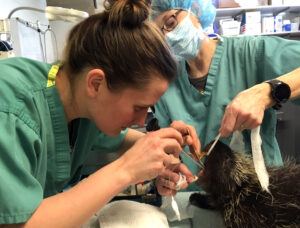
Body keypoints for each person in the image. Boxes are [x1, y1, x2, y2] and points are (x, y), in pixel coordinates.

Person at [0, 0, 200, 226]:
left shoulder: (83, 105)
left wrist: (158, 147)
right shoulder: (10, 108)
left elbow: (122, 139)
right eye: (138, 107)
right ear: (96, 83)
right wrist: (127, 169)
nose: (143, 119)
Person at [150, 0, 300, 194]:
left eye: (170, 22)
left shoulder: (252, 53)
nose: (168, 36)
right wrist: (166, 178)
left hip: (259, 196)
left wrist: (265, 93)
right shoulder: (165, 84)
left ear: (194, 9)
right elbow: (168, 157)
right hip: (199, 200)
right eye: (158, 36)